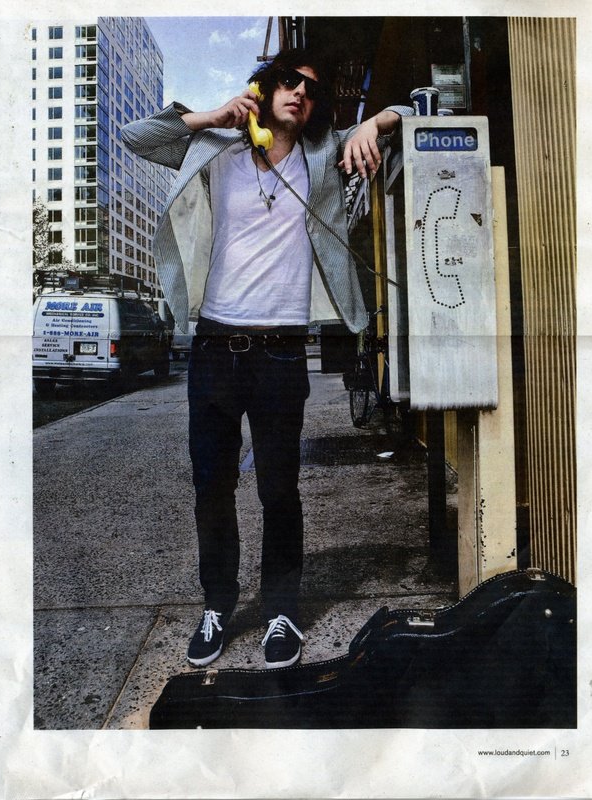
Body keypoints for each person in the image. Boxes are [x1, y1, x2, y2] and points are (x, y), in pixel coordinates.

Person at [122, 47, 411, 669]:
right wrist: (211, 116)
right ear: (264, 87)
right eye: (288, 81)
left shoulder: (323, 156)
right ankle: (217, 606)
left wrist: (371, 122)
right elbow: (134, 137)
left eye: (311, 89)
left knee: (279, 489)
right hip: (214, 349)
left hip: (279, 354)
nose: (300, 93)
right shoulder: (216, 151)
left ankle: (281, 611)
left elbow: (409, 112)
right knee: (212, 487)